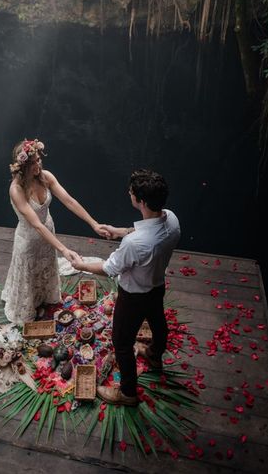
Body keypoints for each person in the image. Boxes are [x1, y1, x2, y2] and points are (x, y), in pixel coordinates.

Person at [71, 169, 180, 406]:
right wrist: (118, 231)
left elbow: (110, 268)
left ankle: (128, 393)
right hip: (157, 286)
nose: (128, 193)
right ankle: (154, 355)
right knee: (158, 321)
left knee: (121, 343)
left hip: (133, 297)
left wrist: (83, 265)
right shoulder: (171, 219)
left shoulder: (135, 244)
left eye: (131, 192)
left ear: (140, 201)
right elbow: (143, 232)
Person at [1, 138, 109, 325]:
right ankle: (28, 305)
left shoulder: (46, 177)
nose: (39, 164)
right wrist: (64, 250)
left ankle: (44, 297)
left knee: (46, 267)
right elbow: (36, 225)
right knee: (30, 272)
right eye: (33, 162)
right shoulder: (16, 189)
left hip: (48, 231)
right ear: (24, 165)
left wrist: (94, 223)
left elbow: (69, 201)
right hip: (29, 239)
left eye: (39, 160)